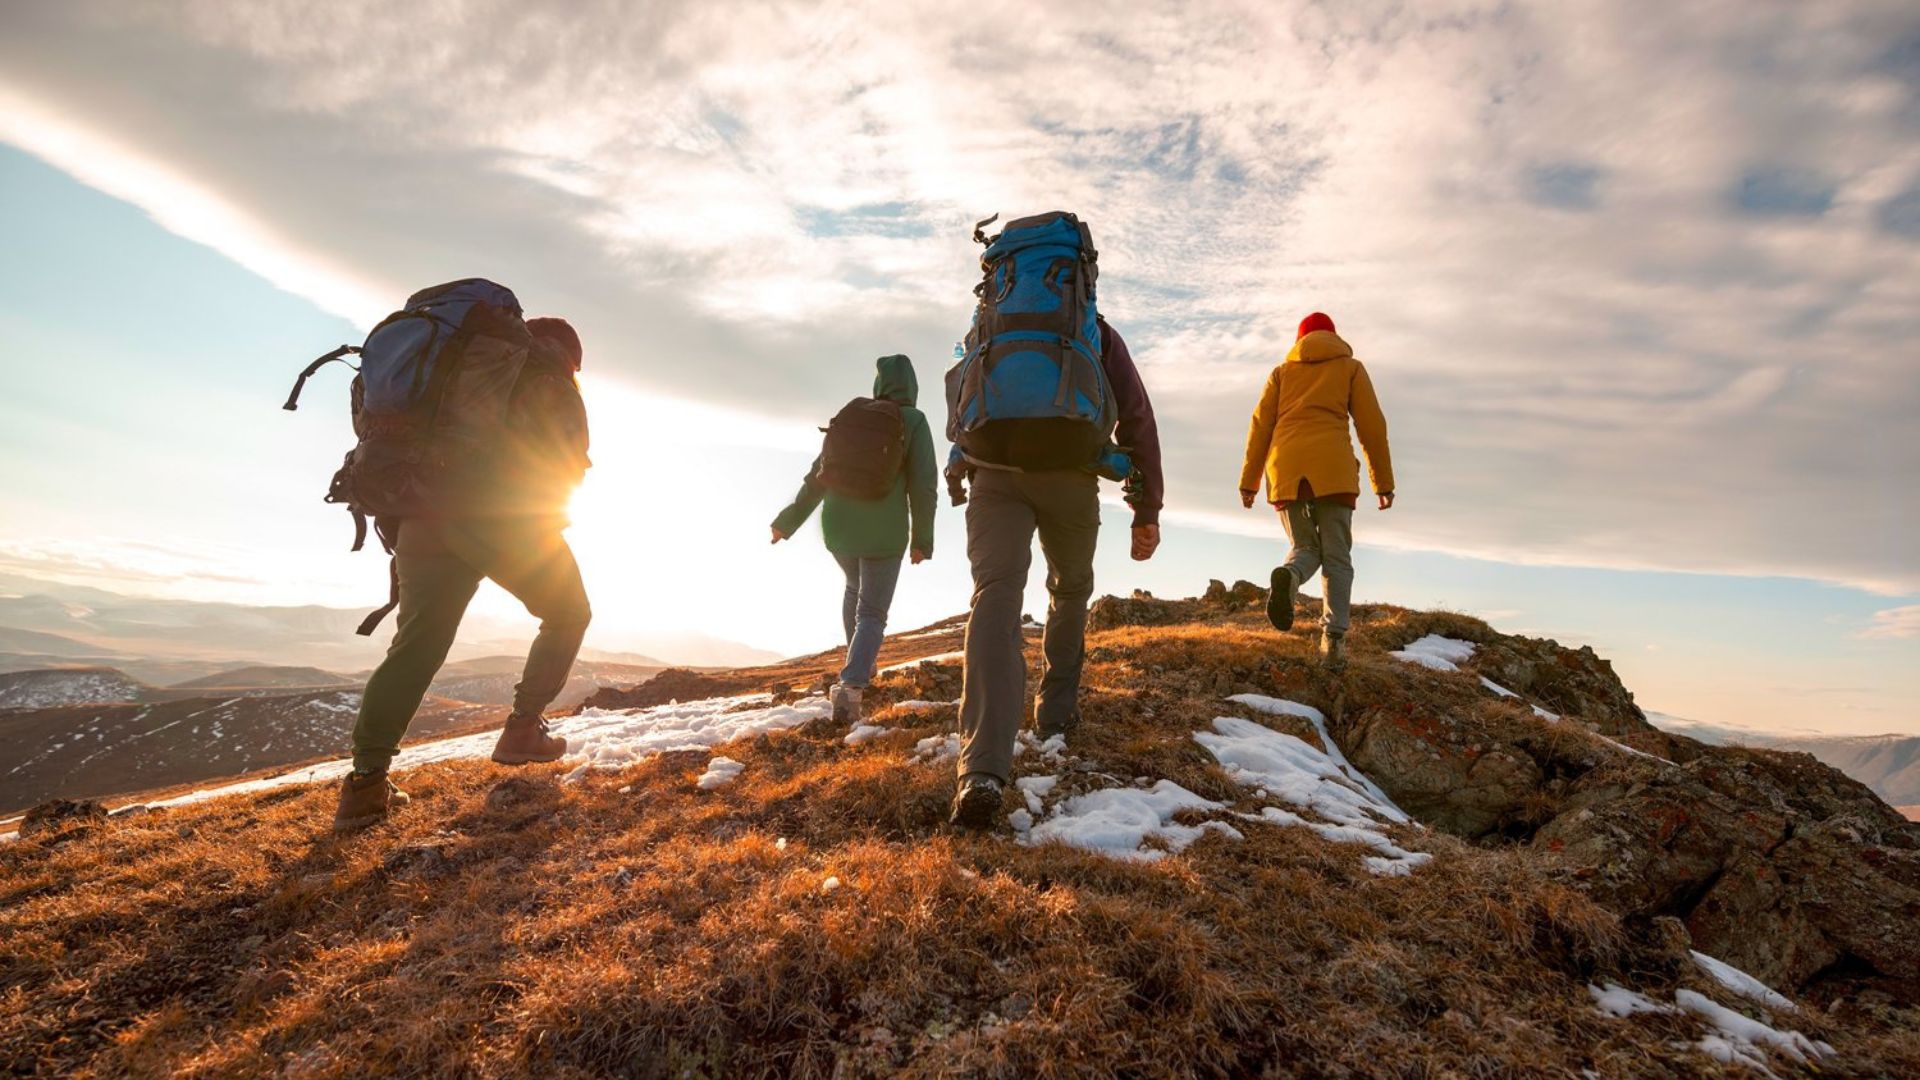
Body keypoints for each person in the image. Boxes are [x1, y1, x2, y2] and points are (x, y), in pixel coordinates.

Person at [333, 317, 593, 832]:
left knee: (415, 646)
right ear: (568, 354)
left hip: (418, 518)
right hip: (500, 518)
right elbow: (567, 462)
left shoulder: (448, 376)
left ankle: (365, 783)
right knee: (567, 612)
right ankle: (522, 730)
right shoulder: (545, 374)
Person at [948, 315, 1164, 829]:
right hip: (1070, 477)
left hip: (993, 478)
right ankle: (1056, 715)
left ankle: (981, 770)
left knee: (995, 596)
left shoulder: (992, 324)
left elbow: (962, 398)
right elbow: (1137, 416)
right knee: (1069, 589)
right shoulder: (1092, 330)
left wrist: (961, 465)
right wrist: (1147, 508)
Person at [771, 355, 937, 726]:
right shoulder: (913, 421)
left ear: (879, 384)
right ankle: (851, 685)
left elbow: (817, 476)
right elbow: (924, 486)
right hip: (884, 532)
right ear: (912, 387)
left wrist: (788, 521)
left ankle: (859, 662)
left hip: (838, 529)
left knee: (853, 588)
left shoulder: (852, 417)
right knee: (872, 612)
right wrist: (923, 539)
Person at [1238, 311, 1394, 670]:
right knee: (1337, 556)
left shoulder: (1282, 372)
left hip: (1286, 469)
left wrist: (1250, 482)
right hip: (1334, 470)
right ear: (1334, 336)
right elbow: (1372, 427)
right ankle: (1333, 643)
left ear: (1299, 340)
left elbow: (1260, 426)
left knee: (1304, 547)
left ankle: (1290, 576)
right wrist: (1382, 483)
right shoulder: (1350, 368)